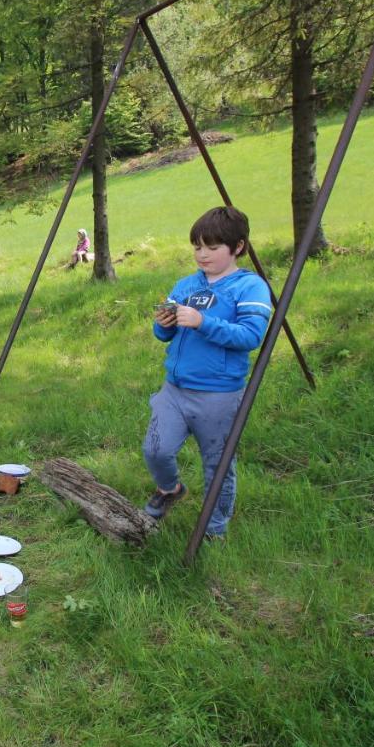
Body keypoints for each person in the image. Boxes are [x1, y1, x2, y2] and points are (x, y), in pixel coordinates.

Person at [141, 206, 273, 540]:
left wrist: (203, 322)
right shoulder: (186, 284)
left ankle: (215, 528)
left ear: (238, 247)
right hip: (175, 388)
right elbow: (165, 335)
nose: (203, 255)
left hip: (219, 394)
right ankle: (170, 490)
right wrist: (163, 326)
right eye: (197, 247)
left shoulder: (250, 287)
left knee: (217, 465)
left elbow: (251, 337)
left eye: (212, 248)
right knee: (155, 449)